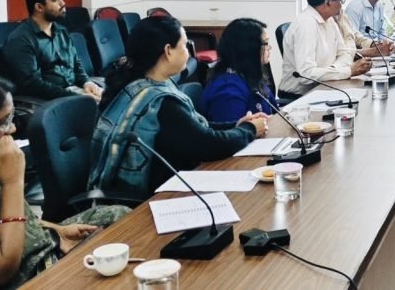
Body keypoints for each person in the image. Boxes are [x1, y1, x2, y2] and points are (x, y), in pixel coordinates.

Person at [0, 69, 128, 289]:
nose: (12, 128)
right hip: (7, 278)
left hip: (22, 249)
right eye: (2, 122)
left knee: (117, 216)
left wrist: (56, 231)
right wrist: (12, 183)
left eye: (11, 117)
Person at [89, 16, 267, 198]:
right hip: (151, 199)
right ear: (168, 51)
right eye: (184, 46)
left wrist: (237, 125)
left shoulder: (142, 85)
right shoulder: (161, 102)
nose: (189, 54)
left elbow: (191, 129)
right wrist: (250, 129)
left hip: (164, 186)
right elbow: (208, 144)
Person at [2, 0, 102, 101]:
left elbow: (76, 63)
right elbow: (33, 85)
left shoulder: (61, 31)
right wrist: (77, 97)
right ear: (39, 7)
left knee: (113, 99)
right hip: (50, 100)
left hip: (73, 91)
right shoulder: (21, 40)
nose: (63, 3)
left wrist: (86, 82)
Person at [280, 0, 372, 96]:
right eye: (341, 0)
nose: (342, 4)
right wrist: (347, 71)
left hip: (328, 86)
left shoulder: (329, 20)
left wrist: (335, 70)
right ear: (328, 2)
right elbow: (306, 75)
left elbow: (344, 53)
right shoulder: (305, 25)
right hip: (300, 96)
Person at [199, 18, 280, 124]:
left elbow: (273, 112)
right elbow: (231, 132)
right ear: (248, 48)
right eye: (265, 43)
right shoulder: (228, 91)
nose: (270, 47)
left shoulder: (249, 75)